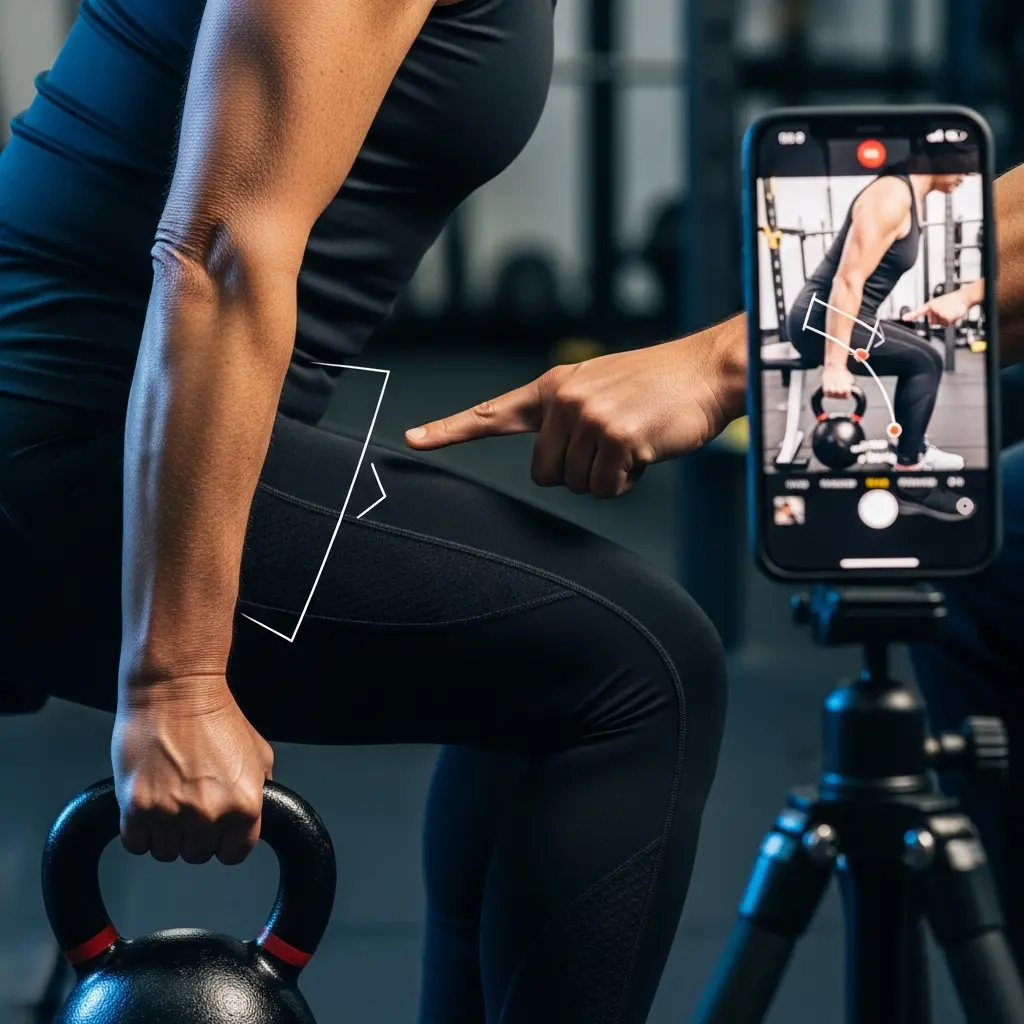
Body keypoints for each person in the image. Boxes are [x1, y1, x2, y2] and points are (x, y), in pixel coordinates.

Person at [0, 1, 738, 1021]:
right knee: (642, 670)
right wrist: (175, 679)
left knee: (547, 662)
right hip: (68, 448)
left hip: (114, 426)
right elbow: (218, 255)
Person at [413, 161, 1024, 972]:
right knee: (997, 538)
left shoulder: (927, 207)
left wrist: (723, 368)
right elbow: (844, 285)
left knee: (985, 519)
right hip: (830, 323)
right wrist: (790, 370)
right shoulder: (891, 200)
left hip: (860, 328)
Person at [784, 168, 972, 481]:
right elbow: (847, 279)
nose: (966, 171)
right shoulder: (892, 196)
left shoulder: (909, 197)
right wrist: (834, 365)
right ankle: (910, 462)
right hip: (819, 319)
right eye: (961, 160)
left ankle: (912, 448)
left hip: (846, 316)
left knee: (924, 352)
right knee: (925, 361)